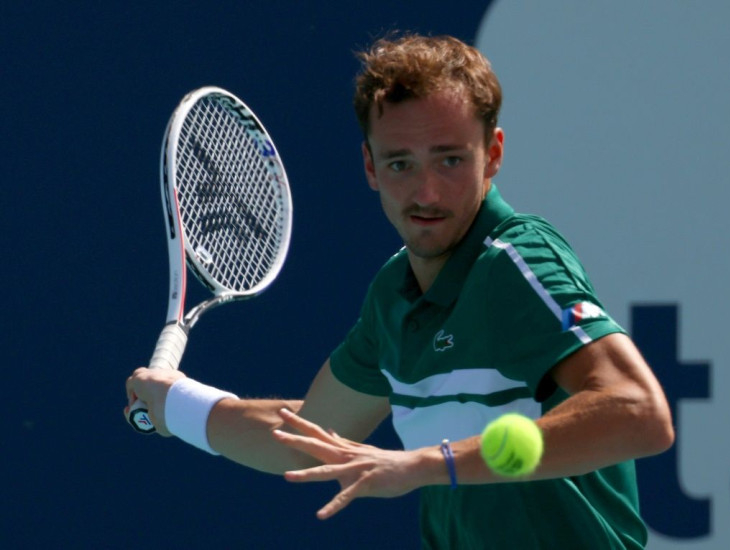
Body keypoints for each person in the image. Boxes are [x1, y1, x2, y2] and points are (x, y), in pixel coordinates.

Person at [125, 33, 674, 549]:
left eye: (450, 159)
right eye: (401, 164)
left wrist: (428, 464)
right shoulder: (393, 295)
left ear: (494, 154)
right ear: (370, 166)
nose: (427, 191)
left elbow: (639, 412)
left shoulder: (514, 263)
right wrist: (175, 405)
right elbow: (306, 435)